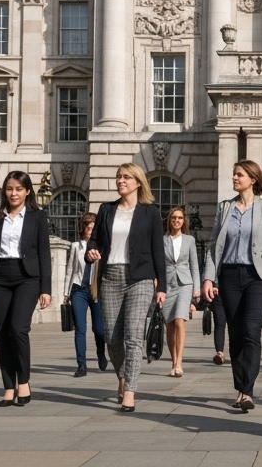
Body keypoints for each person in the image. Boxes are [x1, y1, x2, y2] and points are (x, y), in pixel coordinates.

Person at [202, 160, 262, 411]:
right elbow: (214, 248)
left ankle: (247, 391)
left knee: (251, 332)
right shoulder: (224, 208)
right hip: (230, 276)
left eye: (239, 174)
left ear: (252, 179)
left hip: (258, 278)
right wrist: (208, 278)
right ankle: (240, 386)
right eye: (233, 174)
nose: (234, 178)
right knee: (236, 334)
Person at [85, 163, 167, 413]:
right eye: (119, 177)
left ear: (138, 182)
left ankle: (130, 390)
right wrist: (91, 250)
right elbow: (95, 238)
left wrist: (161, 285)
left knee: (133, 336)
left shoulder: (150, 212)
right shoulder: (106, 209)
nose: (121, 181)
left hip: (140, 278)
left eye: (126, 177)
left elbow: (157, 251)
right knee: (111, 336)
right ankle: (122, 375)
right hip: (110, 277)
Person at [0, 171, 52, 406]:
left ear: (27, 191)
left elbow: (44, 254)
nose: (13, 193)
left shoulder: (37, 217)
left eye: (18, 189)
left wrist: (45, 288)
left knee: (18, 329)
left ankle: (24, 382)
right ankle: (8, 385)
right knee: (3, 333)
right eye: (9, 189)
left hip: (27, 278)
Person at [64, 213, 106, 377]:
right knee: (80, 329)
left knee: (99, 329)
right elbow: (70, 270)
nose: (91, 231)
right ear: (84, 229)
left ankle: (101, 353)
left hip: (96, 290)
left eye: (94, 228)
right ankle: (81, 365)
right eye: (89, 228)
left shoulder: (102, 247)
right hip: (78, 290)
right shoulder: (76, 246)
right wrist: (66, 293)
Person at [162, 206, 201, 377]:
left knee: (179, 321)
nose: (177, 221)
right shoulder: (162, 240)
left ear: (184, 221)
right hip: (167, 285)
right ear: (170, 220)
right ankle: (173, 361)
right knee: (169, 325)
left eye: (180, 218)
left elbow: (194, 265)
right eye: (174, 218)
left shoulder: (189, 240)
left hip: (185, 283)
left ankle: (179, 362)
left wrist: (196, 289)